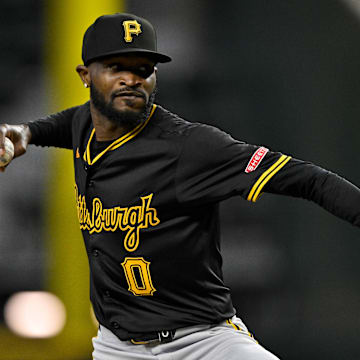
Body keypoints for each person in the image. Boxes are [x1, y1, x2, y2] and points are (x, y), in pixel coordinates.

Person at [0, 12, 359, 360]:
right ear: (85, 75)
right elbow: (67, 122)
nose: (131, 79)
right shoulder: (84, 124)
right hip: (117, 346)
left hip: (201, 341)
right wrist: (27, 132)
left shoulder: (191, 147)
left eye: (142, 69)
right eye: (116, 67)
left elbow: (309, 179)